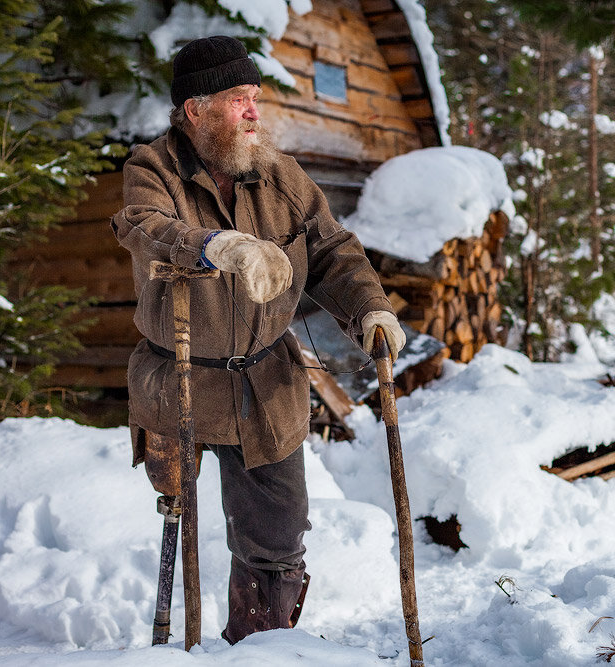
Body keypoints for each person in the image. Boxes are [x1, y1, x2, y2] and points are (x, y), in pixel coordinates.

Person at [110, 35, 406, 644]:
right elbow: (144, 227)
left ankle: (260, 650)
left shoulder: (276, 173)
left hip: (266, 383)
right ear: (197, 109)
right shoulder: (153, 168)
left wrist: (371, 311)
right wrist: (216, 246)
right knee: (177, 523)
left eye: (255, 97)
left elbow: (330, 249)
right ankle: (176, 648)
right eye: (238, 98)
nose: (253, 111)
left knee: (276, 539)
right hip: (181, 380)